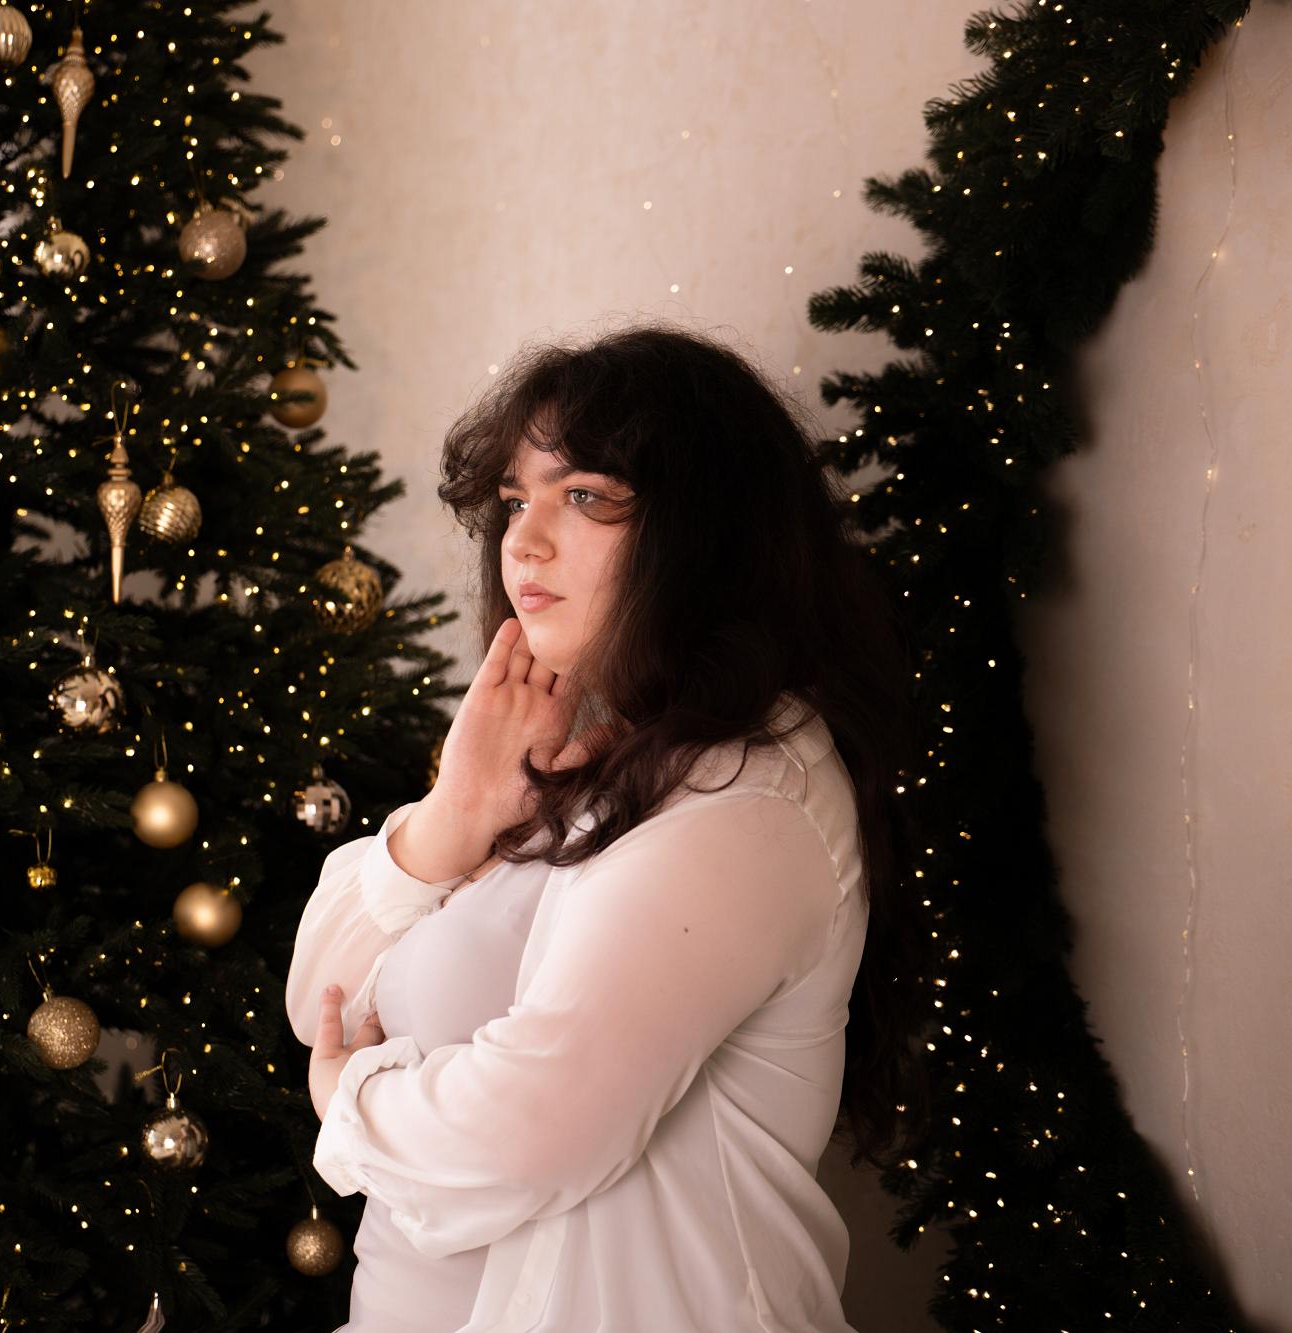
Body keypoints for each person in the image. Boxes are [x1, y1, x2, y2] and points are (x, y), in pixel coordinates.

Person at [285, 321, 931, 1332]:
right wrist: (455, 815)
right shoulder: (575, 754)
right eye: (514, 501)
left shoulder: (746, 795)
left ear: (704, 533)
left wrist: (350, 1099)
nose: (522, 541)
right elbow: (318, 996)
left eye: (582, 496)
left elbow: (531, 1129)